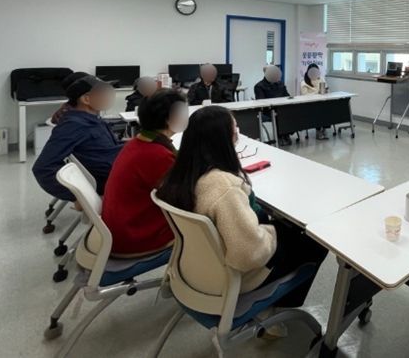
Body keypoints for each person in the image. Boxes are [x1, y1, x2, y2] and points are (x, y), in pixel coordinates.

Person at [156, 106, 327, 314]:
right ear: (224, 138)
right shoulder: (223, 186)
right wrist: (271, 233)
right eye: (235, 128)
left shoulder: (180, 175)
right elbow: (249, 254)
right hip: (231, 278)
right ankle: (277, 307)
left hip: (193, 269)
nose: (238, 132)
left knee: (285, 227)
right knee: (315, 240)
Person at [102, 89, 188, 257]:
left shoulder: (138, 142)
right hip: (136, 237)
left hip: (121, 229)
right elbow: (183, 198)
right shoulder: (157, 155)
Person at [33, 73, 123, 201]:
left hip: (121, 167)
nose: (109, 96)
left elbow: (108, 148)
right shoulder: (74, 125)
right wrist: (79, 196)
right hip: (115, 179)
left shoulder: (93, 119)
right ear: (86, 99)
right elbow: (42, 168)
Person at [254, 65, 292, 146]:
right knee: (280, 115)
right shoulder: (259, 86)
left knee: (292, 112)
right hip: (269, 111)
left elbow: (287, 95)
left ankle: (286, 134)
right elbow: (262, 102)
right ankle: (281, 136)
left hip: (282, 108)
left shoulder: (281, 84)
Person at [300, 63, 328, 140]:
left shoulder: (321, 79)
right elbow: (305, 95)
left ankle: (324, 128)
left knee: (327, 109)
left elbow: (326, 88)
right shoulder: (304, 82)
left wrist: (325, 91)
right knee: (318, 111)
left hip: (321, 102)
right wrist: (317, 93)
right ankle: (318, 131)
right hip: (309, 104)